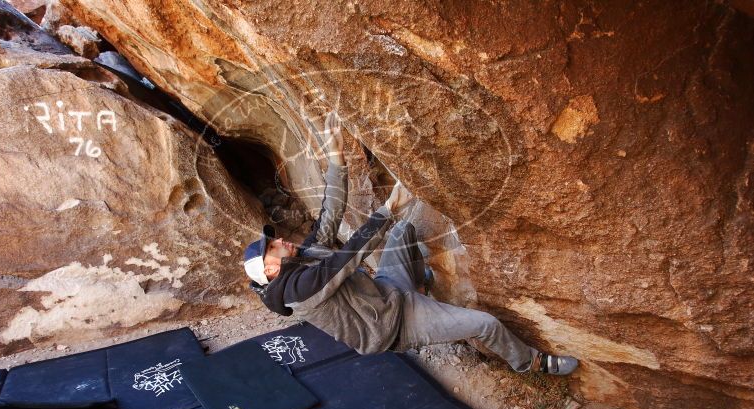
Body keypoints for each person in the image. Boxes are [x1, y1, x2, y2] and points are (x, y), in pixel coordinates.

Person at [243, 113, 578, 375]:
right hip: (396, 325)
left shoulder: (303, 257)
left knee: (404, 230)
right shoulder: (298, 291)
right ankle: (531, 363)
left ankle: (421, 286)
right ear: (270, 271)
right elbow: (348, 256)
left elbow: (330, 214)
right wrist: (386, 210)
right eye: (272, 247)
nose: (280, 241)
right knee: (485, 324)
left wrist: (335, 159)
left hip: (389, 291)